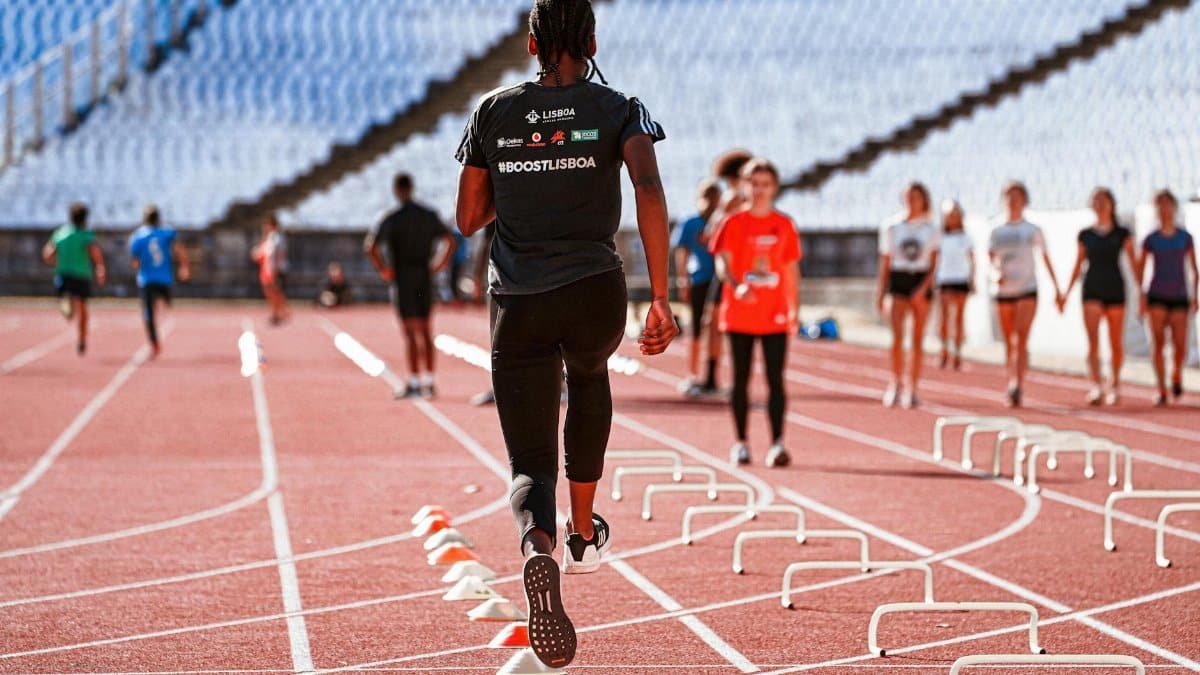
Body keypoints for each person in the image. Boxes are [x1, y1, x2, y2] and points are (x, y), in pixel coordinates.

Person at [454, 0, 676, 666]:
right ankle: (584, 532)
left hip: (518, 297)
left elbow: (467, 217)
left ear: (530, 43)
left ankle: (538, 547)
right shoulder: (619, 108)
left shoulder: (492, 111)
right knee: (588, 378)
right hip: (594, 289)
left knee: (527, 461)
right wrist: (661, 298)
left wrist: (523, 177)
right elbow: (648, 186)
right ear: (593, 39)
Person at [710, 158, 800, 467]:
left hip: (774, 313)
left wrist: (794, 309)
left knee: (776, 379)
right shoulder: (733, 223)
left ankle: (777, 443)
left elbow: (790, 269)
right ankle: (741, 442)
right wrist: (736, 286)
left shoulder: (784, 224)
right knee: (741, 378)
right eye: (755, 184)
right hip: (739, 313)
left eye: (766, 184)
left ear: (774, 187)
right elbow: (722, 262)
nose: (760, 190)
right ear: (745, 186)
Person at [366, 173, 456, 398]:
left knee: (409, 332)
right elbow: (451, 240)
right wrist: (439, 264)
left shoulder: (392, 217)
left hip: (403, 279)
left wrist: (384, 270)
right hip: (424, 277)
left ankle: (414, 382)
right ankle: (429, 381)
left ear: (397, 190)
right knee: (426, 330)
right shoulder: (428, 215)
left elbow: (370, 246)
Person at [1058, 188, 1138, 405]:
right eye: (1096, 201)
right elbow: (1078, 265)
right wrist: (1065, 293)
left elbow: (1134, 263)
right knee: (1093, 342)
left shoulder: (1122, 233)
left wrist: (1142, 292)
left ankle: (1115, 383)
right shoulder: (1085, 235)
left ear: (1112, 204)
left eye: (1103, 200)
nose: (1100, 204)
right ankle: (1095, 385)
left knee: (1115, 341)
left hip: (1115, 288)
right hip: (1092, 288)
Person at [988, 181, 1062, 407]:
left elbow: (1045, 258)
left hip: (1027, 288)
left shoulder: (1032, 229)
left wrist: (1057, 288)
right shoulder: (996, 230)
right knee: (1009, 341)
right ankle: (1011, 376)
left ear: (1025, 200)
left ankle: (1017, 384)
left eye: (1018, 196)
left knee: (1020, 339)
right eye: (1009, 196)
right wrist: (995, 275)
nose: (1013, 200)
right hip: (1004, 289)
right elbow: (990, 259)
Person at [875, 182, 939, 408]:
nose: (912, 201)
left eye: (917, 197)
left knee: (918, 339)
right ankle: (895, 382)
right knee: (897, 338)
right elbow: (885, 262)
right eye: (909, 196)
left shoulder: (931, 229)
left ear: (924, 199)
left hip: (920, 279)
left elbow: (934, 263)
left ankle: (913, 387)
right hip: (898, 280)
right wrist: (881, 293)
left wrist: (923, 288)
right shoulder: (892, 227)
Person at [1138, 189, 1197, 405]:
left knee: (1180, 345)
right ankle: (1161, 388)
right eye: (1159, 204)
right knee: (1158, 343)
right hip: (1156, 295)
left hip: (1180, 295)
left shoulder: (1185, 237)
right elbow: (1141, 267)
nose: (1164, 208)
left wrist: (1195, 295)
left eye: (1167, 203)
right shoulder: (1151, 239)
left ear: (1174, 206)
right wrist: (1142, 295)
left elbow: (1193, 268)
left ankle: (1176, 375)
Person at [671, 179, 722, 396]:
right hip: (699, 279)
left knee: (714, 329)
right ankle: (693, 375)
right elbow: (682, 252)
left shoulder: (723, 221)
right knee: (699, 329)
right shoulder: (690, 222)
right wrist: (683, 280)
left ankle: (710, 378)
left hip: (718, 280)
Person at [42, 202, 106, 355]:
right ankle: (82, 339)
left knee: (68, 303)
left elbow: (47, 255)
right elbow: (94, 251)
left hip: (63, 275)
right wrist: (100, 268)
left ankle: (66, 305)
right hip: (81, 275)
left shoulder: (60, 233)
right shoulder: (86, 234)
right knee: (83, 309)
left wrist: (59, 261)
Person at [128, 205, 190, 356]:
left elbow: (134, 261)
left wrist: (139, 265)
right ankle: (162, 304)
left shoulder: (138, 236)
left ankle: (154, 342)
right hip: (164, 278)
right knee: (167, 304)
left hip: (146, 279)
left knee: (148, 313)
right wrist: (184, 266)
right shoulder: (166, 233)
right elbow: (179, 249)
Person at [936, 199, 973, 371]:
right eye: (949, 216)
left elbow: (972, 260)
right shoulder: (940, 237)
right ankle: (944, 349)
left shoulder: (966, 238)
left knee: (959, 318)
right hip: (944, 279)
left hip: (961, 279)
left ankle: (957, 352)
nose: (952, 218)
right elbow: (935, 260)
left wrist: (972, 279)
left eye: (955, 215)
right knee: (944, 318)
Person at [251, 214, 290, 325]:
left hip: (275, 269)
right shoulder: (269, 237)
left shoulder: (277, 237)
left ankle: (280, 312)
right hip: (269, 269)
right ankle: (278, 312)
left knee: (275, 292)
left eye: (266, 225)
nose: (264, 227)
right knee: (270, 292)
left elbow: (279, 253)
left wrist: (275, 268)